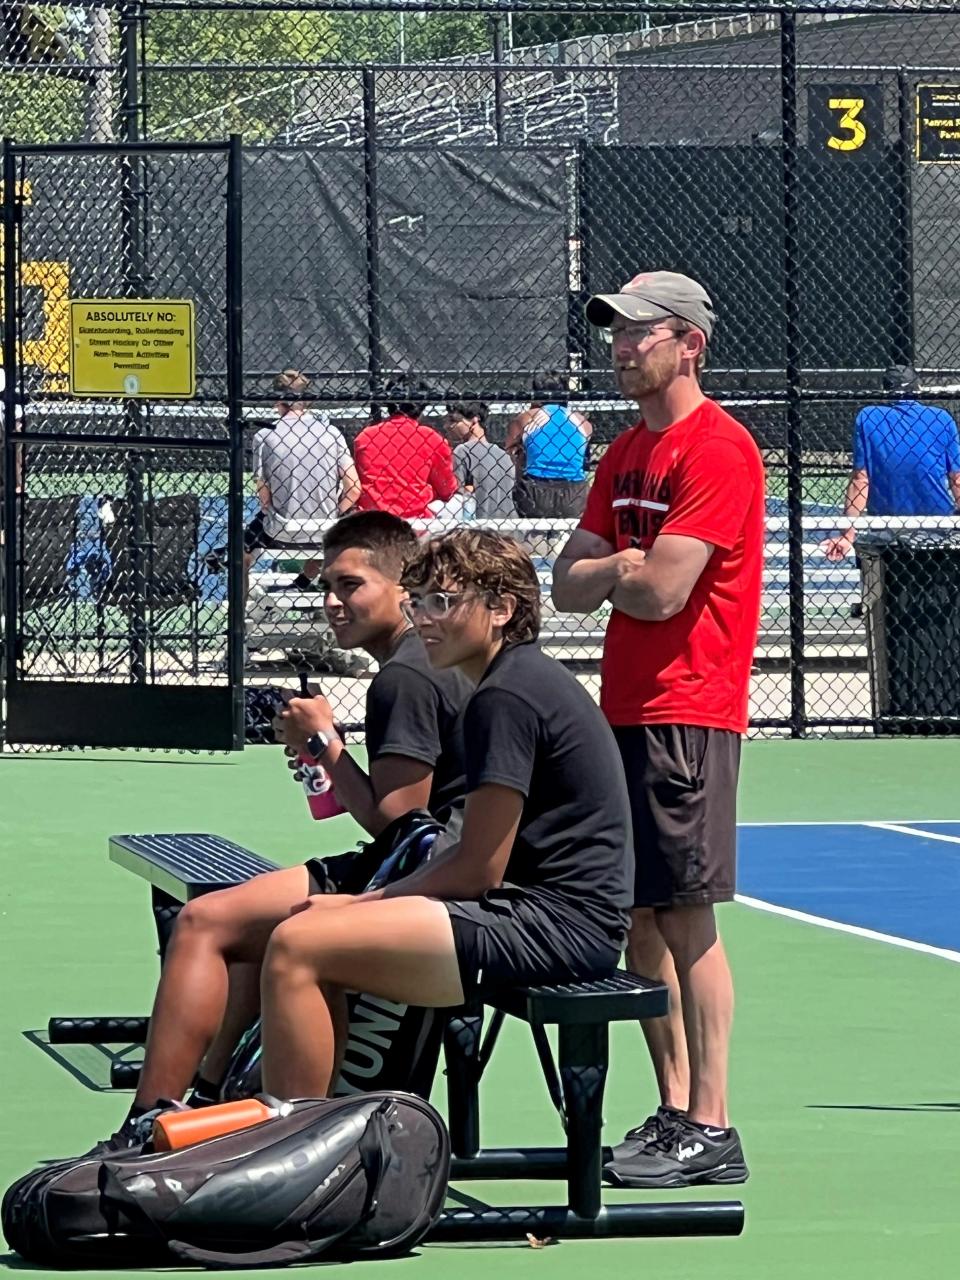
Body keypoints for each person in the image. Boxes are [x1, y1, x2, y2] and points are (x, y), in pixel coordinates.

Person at [89, 511, 472, 1151]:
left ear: (403, 586)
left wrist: (324, 744)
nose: (331, 601)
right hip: (430, 867)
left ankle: (147, 1125)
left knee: (203, 923)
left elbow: (399, 824)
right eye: (326, 585)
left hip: (423, 883)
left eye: (351, 585)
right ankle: (209, 1106)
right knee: (235, 932)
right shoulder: (419, 661)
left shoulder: (406, 675)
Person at [253, 529, 632, 1100]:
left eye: (443, 601)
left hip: (560, 929)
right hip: (530, 912)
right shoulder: (509, 683)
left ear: (501, 609)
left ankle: (296, 1153)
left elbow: (478, 870)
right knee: (307, 934)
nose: (424, 618)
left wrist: (361, 903)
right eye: (418, 601)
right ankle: (319, 1133)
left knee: (299, 943)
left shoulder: (506, 697)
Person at [552, 270, 764, 1188]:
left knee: (685, 915)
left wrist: (621, 567)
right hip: (625, 712)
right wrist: (615, 568)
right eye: (616, 331)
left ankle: (713, 1121)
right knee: (636, 915)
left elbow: (664, 588)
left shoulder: (716, 452)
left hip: (690, 709)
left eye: (641, 332)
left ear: (691, 343)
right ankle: (676, 1110)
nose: (621, 346)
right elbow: (566, 582)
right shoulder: (623, 456)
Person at [822, 366, 960, 566]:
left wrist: (847, 535)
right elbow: (957, 479)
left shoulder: (868, 417)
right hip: (937, 524)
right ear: (918, 388)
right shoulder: (941, 418)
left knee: (888, 585)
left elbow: (861, 479)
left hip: (887, 527)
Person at [245, 369, 360, 597]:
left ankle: (237, 616)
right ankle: (306, 581)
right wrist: (333, 514)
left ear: (277, 399)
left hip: (281, 529)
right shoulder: (331, 433)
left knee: (241, 551)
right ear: (307, 399)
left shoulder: (265, 436)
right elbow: (354, 488)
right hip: (324, 529)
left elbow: (264, 496)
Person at [353, 379, 458, 518]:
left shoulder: (365, 437)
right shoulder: (431, 438)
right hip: (415, 520)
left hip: (372, 521)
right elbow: (447, 489)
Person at [505, 376, 593, 518]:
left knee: (521, 454)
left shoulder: (527, 417)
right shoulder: (582, 422)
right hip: (575, 493)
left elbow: (509, 450)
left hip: (535, 491)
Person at [444, 400, 516, 518]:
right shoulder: (503, 455)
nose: (447, 426)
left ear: (474, 420)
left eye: (453, 420)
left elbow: (456, 495)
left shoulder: (463, 451)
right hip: (508, 525)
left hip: (480, 526)